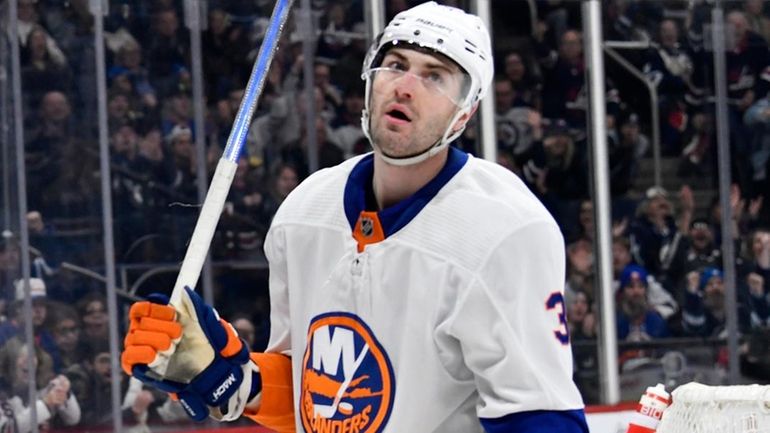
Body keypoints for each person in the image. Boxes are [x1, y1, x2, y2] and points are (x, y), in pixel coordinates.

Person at [121, 3, 588, 432]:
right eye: (396, 64)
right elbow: (314, 390)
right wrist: (228, 377)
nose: (405, 85)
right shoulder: (304, 213)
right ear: (370, 79)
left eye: (435, 76)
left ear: (465, 114)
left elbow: (539, 416)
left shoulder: (507, 230)